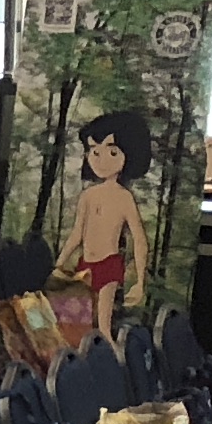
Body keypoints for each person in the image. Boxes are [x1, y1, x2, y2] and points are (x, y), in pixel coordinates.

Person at [58, 110, 154, 338]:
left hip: (109, 265)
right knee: (76, 327)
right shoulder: (88, 196)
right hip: (85, 264)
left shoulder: (124, 198)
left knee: (103, 329)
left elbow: (139, 239)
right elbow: (77, 234)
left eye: (112, 152)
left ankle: (112, 366)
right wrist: (60, 264)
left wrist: (140, 281)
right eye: (94, 151)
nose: (101, 160)